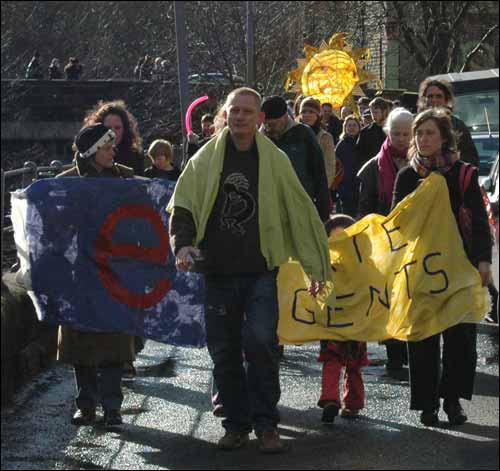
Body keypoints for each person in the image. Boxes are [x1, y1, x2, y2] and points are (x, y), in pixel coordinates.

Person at [168, 87, 333, 453]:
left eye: (247, 111)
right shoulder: (206, 158)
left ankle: (266, 424)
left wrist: (315, 267)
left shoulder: (274, 160)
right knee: (224, 351)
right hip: (218, 272)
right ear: (225, 116)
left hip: (260, 271)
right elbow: (184, 204)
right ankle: (236, 425)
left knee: (261, 343)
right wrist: (182, 244)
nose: (240, 117)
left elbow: (300, 212)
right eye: (234, 111)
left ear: (260, 118)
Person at [391, 108, 492, 426]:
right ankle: (428, 403)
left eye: (429, 133)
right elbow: (397, 224)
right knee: (422, 336)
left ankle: (452, 400)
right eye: (419, 134)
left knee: (460, 337)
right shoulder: (408, 176)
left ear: (444, 137)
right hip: (420, 269)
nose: (423, 139)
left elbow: (478, 220)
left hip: (460, 266)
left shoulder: (462, 174)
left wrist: (483, 260)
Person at [56, 123, 136, 427]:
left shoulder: (126, 179)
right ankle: (86, 405)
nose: (113, 150)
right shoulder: (66, 183)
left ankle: (112, 407)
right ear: (92, 152)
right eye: (106, 146)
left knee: (114, 342)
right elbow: (53, 228)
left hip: (116, 272)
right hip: (80, 275)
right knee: (82, 344)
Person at [357, 107, 413, 379]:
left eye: (407, 133)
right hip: (385, 243)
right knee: (390, 297)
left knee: (414, 296)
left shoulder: (425, 164)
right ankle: (394, 352)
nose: (402, 138)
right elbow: (363, 209)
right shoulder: (372, 169)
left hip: (416, 242)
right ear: (387, 133)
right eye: (397, 133)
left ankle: (413, 349)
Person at [318, 214, 370, 423]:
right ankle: (353, 404)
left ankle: (330, 397)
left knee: (332, 361)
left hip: (333, 326)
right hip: (356, 325)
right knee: (354, 365)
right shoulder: (365, 266)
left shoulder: (324, 269)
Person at [261, 95, 330, 221]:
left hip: (300, 205)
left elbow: (319, 174)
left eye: (273, 124)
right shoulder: (259, 138)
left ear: (285, 117)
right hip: (269, 208)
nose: (269, 128)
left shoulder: (303, 134)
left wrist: (323, 213)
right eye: (266, 124)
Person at [417, 78, 479, 166]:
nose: (434, 100)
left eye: (439, 96)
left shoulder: (457, 125)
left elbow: (471, 158)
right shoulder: (416, 124)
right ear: (424, 100)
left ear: (446, 100)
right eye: (430, 96)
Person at [82, 100, 145, 176]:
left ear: (125, 130)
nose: (112, 133)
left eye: (117, 128)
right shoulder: (86, 156)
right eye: (107, 128)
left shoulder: (136, 157)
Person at [298, 97, 336, 190]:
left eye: (311, 112)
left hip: (316, 187)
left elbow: (329, 165)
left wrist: (322, 188)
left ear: (317, 115)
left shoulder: (325, 137)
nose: (307, 115)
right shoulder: (292, 133)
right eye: (304, 112)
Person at [335, 115, 362, 217]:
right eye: (349, 125)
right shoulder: (341, 145)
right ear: (345, 127)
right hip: (345, 186)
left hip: (359, 184)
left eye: (354, 125)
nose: (352, 128)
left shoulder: (362, 143)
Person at [356, 97, 392, 167]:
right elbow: (359, 155)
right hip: (371, 169)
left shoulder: (393, 131)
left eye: (376, 112)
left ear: (384, 111)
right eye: (372, 112)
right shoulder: (365, 132)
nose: (373, 115)